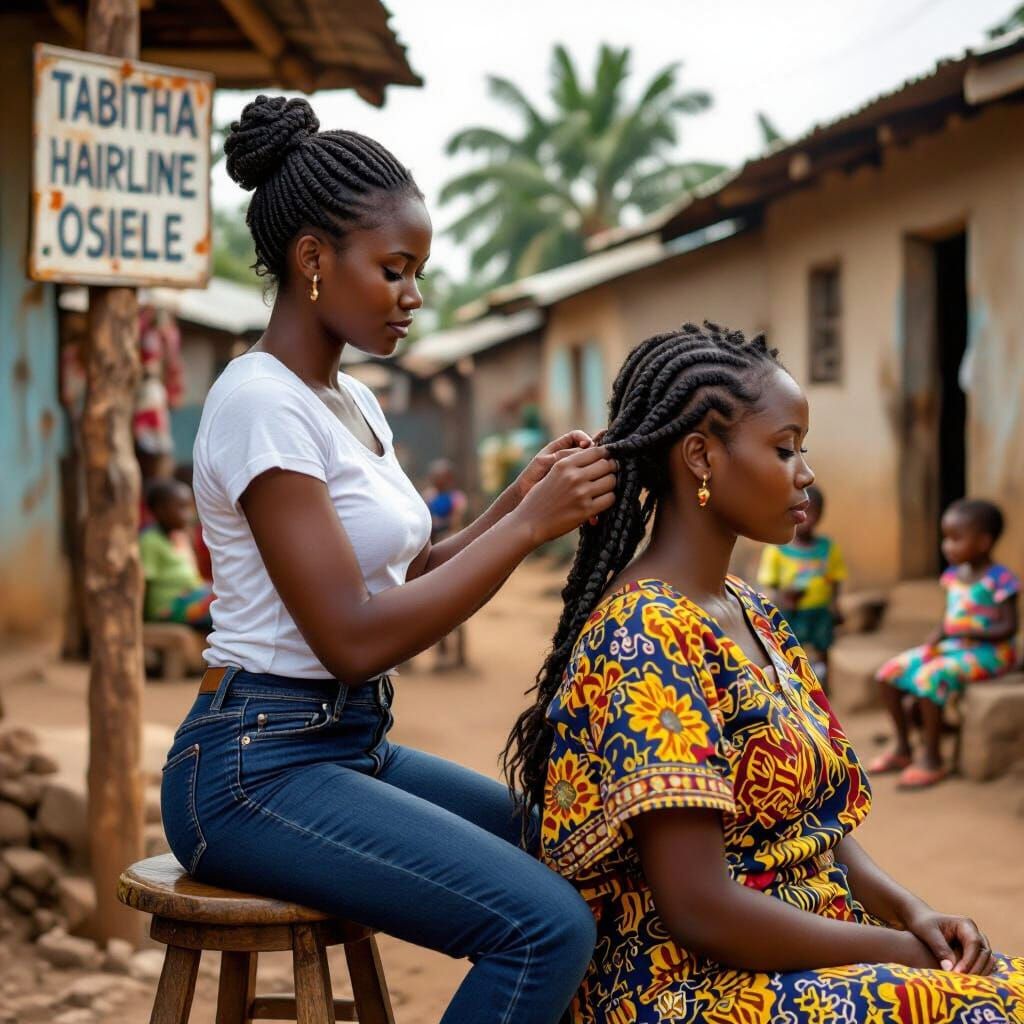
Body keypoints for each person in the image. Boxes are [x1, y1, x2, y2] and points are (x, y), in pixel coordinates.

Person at [160, 95, 617, 1024]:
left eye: (420, 272)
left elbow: (400, 578)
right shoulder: (260, 404)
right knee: (545, 927)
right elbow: (353, 639)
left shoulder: (351, 403)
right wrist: (529, 531)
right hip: (252, 770)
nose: (414, 295)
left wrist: (518, 499)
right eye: (395, 269)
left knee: (573, 847)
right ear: (314, 259)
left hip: (344, 744)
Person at [504, 322, 1024, 1024]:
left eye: (801, 449)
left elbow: (817, 826)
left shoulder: (749, 608)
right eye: (784, 449)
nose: (805, 472)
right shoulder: (644, 634)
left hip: (805, 948)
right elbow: (699, 909)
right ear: (701, 457)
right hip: (687, 985)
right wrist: (898, 954)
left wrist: (914, 913)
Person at [872, 499, 1019, 789]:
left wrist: (969, 632)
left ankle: (933, 757)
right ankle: (903, 748)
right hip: (956, 647)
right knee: (889, 672)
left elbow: (1010, 627)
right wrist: (939, 635)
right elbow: (950, 616)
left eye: (956, 538)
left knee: (930, 677)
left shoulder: (1001, 579)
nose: (946, 546)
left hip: (992, 653)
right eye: (945, 538)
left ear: (984, 542)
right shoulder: (952, 576)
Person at [757, 484, 846, 689]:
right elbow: (769, 587)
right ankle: (796, 690)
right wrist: (783, 597)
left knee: (823, 649)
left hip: (820, 612)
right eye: (804, 511)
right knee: (792, 652)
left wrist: (834, 604)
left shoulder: (827, 547)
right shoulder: (777, 550)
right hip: (790, 614)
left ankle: (824, 689)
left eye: (815, 512)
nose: (809, 518)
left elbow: (835, 579)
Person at [140, 478, 214, 630]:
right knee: (223, 606)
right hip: (169, 607)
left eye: (190, 508)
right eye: (182, 508)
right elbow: (143, 581)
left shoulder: (181, 537)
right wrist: (143, 619)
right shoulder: (150, 540)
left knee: (228, 594)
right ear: (160, 511)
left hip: (191, 597)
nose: (189, 514)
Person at [423, 459, 469, 669]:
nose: (438, 480)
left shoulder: (457, 499)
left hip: (452, 551)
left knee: (458, 604)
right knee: (436, 604)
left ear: (449, 479)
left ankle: (460, 656)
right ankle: (442, 654)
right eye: (435, 477)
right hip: (434, 551)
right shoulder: (429, 497)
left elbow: (456, 523)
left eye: (442, 477)